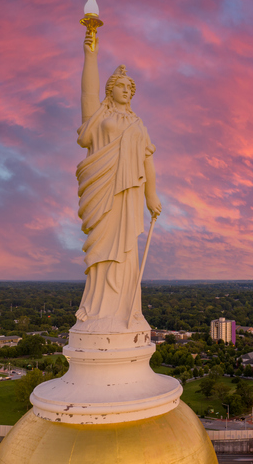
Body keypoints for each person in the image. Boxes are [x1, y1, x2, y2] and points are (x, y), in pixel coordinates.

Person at [74, 32, 161, 333]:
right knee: (101, 249)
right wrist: (91, 56)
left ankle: (126, 309)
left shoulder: (138, 124)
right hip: (103, 191)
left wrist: (152, 194)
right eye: (121, 86)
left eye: (130, 88)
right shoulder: (99, 117)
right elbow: (88, 94)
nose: (127, 90)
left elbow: (148, 159)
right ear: (110, 90)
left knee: (126, 251)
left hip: (130, 195)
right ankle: (98, 310)